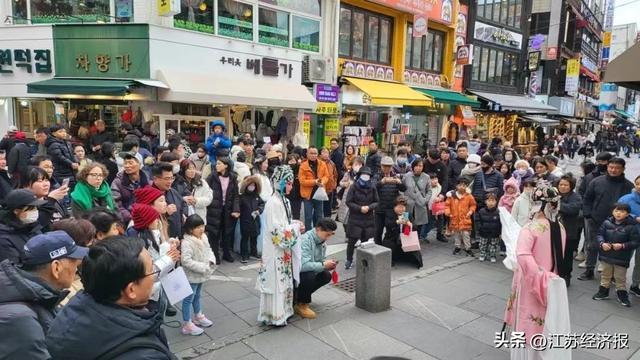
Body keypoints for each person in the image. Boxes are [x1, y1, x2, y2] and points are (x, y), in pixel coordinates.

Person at [45, 236, 177, 359]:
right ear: (131, 290)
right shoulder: (143, 355)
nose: (154, 276)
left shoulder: (72, 316)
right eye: (151, 270)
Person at [0, 231, 87, 360]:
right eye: (75, 263)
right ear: (56, 268)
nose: (76, 269)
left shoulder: (38, 296)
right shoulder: (19, 319)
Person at [503, 182, 567, 356]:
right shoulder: (560, 227)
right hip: (552, 277)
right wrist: (547, 277)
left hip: (530, 281)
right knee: (544, 319)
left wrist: (538, 277)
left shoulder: (530, 228)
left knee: (527, 316)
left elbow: (523, 255)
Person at [256, 165, 303, 326]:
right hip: (275, 249)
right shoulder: (272, 203)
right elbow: (276, 232)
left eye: (291, 183)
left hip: (284, 250)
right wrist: (295, 228)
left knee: (283, 280)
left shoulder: (285, 201)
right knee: (275, 281)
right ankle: (274, 315)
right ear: (281, 183)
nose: (291, 186)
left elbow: (285, 224)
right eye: (288, 183)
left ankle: (283, 311)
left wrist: (294, 224)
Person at [580, 157, 634, 281]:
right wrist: (588, 214)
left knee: (614, 248)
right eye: (611, 167)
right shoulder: (597, 181)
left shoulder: (628, 186)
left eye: (617, 168)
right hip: (596, 219)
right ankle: (589, 269)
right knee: (592, 245)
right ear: (607, 167)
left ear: (623, 169)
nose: (613, 170)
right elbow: (587, 199)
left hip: (618, 224)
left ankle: (612, 274)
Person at [591, 203, 639, 307]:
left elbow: (635, 242)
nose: (618, 213)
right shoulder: (606, 222)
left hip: (621, 258)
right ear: (612, 212)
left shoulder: (632, 226)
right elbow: (599, 235)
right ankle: (603, 292)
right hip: (606, 255)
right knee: (605, 275)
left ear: (627, 214)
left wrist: (622, 245)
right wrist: (602, 243)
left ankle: (622, 295)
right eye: (616, 211)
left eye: (622, 212)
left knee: (620, 277)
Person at [180, 214, 216, 335]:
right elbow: (185, 260)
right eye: (198, 227)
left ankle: (198, 316)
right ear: (190, 229)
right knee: (188, 298)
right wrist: (202, 267)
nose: (201, 229)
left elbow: (209, 250)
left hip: (201, 273)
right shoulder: (187, 242)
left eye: (202, 226)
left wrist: (211, 261)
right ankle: (186, 323)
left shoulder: (203, 237)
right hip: (192, 275)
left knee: (197, 295)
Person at [296, 218, 338, 319]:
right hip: (297, 273)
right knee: (309, 275)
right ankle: (302, 304)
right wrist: (323, 265)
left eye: (331, 235)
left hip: (307, 270)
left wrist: (328, 265)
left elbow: (320, 261)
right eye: (327, 234)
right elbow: (302, 266)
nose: (328, 238)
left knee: (326, 275)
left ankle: (298, 296)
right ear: (318, 229)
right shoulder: (305, 240)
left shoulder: (322, 241)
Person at [205, 157, 240, 262]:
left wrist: (236, 209)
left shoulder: (233, 178)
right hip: (214, 209)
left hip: (228, 209)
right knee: (214, 233)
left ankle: (226, 253)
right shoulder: (212, 177)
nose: (217, 165)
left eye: (219, 163)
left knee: (227, 232)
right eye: (217, 163)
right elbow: (206, 191)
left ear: (226, 165)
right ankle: (215, 254)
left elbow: (236, 196)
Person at [345, 167, 379, 269]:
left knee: (366, 241)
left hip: (368, 218)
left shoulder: (372, 187)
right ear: (359, 175)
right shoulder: (353, 187)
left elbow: (376, 201)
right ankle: (349, 260)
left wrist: (369, 207)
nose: (365, 176)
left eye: (367, 175)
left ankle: (364, 260)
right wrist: (360, 208)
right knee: (352, 241)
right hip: (355, 217)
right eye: (364, 174)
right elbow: (348, 201)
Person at [0, 189, 45, 263]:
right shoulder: (4, 237)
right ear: (16, 211)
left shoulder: (33, 226)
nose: (35, 211)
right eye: (31, 209)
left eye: (36, 208)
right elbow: (12, 269)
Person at [382, 196, 423, 268]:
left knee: (413, 245)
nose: (401, 209)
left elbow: (415, 227)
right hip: (392, 237)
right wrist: (397, 222)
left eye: (403, 207)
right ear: (394, 207)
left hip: (406, 237)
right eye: (399, 207)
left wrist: (410, 225)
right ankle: (391, 260)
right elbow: (387, 224)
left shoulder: (407, 214)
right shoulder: (390, 214)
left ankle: (413, 260)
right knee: (388, 244)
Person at [22, 167, 69, 231]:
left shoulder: (53, 198)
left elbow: (66, 217)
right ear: (26, 185)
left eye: (46, 180)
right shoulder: (24, 204)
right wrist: (51, 200)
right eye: (40, 181)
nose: (45, 184)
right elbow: (36, 226)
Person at [111, 151, 151, 225]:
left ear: (139, 164)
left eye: (130, 163)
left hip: (146, 219)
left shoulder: (148, 182)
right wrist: (131, 218)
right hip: (126, 221)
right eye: (125, 163)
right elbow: (115, 204)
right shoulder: (118, 182)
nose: (127, 166)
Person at [374, 156, 406, 245]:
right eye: (385, 166)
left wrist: (399, 183)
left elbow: (404, 189)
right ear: (381, 166)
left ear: (392, 167)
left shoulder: (396, 176)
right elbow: (372, 188)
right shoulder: (376, 176)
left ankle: (388, 247)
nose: (387, 168)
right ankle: (378, 248)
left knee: (391, 230)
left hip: (392, 209)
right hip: (379, 209)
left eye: (389, 166)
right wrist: (381, 182)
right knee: (377, 231)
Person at [557, 174, 583, 287]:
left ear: (571, 186)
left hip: (569, 231)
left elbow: (573, 209)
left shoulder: (575, 197)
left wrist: (557, 205)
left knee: (567, 255)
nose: (563, 187)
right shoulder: (554, 194)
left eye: (565, 185)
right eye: (561, 184)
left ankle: (566, 275)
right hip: (555, 229)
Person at [152, 162, 187, 239]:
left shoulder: (172, 191)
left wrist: (183, 214)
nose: (170, 181)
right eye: (167, 179)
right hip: (162, 240)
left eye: (172, 178)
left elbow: (183, 203)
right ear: (155, 179)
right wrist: (165, 213)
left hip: (177, 237)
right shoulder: (149, 195)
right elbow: (147, 219)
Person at [299, 147, 329, 230]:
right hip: (308, 195)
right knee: (308, 217)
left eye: (315, 153)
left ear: (317, 154)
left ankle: (319, 233)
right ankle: (308, 234)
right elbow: (302, 181)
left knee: (319, 215)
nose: (313, 155)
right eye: (311, 153)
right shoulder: (303, 166)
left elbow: (326, 176)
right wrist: (315, 181)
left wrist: (322, 181)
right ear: (307, 154)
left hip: (319, 194)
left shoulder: (322, 164)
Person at [445, 178, 476, 256]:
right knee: (456, 234)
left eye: (464, 185)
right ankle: (457, 247)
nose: (462, 187)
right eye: (460, 185)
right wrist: (448, 212)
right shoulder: (451, 196)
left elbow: (473, 205)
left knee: (466, 234)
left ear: (467, 186)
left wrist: (471, 211)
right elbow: (447, 205)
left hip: (465, 218)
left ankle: (468, 248)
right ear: (456, 186)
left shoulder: (469, 196)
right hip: (455, 218)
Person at [403, 159, 432, 242]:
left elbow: (429, 191)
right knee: (406, 222)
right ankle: (407, 240)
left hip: (420, 203)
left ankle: (416, 241)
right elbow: (402, 188)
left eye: (420, 166)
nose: (418, 168)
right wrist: (404, 198)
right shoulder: (407, 176)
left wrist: (425, 200)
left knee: (419, 224)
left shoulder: (426, 177)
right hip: (408, 204)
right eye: (416, 166)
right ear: (413, 166)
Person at [239, 176, 265, 263]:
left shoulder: (257, 196)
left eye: (253, 185)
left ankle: (254, 253)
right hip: (245, 220)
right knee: (245, 238)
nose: (252, 187)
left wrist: (259, 211)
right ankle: (244, 255)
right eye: (250, 185)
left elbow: (262, 204)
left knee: (254, 237)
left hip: (255, 220)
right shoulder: (242, 197)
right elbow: (238, 208)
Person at [336, 156, 363, 227]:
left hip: (358, 200)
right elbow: (340, 183)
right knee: (345, 221)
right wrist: (346, 184)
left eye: (360, 164)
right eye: (356, 164)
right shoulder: (348, 174)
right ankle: (347, 235)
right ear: (352, 165)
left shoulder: (364, 175)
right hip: (347, 199)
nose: (358, 166)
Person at [477, 193, 501, 262]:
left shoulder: (498, 212)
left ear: (496, 202)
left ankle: (492, 255)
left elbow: (500, 223)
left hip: (494, 232)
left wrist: (499, 232)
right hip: (483, 232)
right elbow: (478, 221)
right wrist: (480, 228)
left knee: (493, 245)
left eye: (493, 201)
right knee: (482, 244)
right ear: (485, 202)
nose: (491, 203)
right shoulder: (481, 211)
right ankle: (482, 254)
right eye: (489, 201)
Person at [320, 147, 338, 217]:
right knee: (319, 210)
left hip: (329, 189)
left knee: (328, 209)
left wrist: (334, 184)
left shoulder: (332, 163)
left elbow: (335, 175)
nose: (325, 154)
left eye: (326, 152)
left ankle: (327, 226)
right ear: (320, 154)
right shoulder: (318, 162)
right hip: (320, 188)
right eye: (323, 152)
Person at [285, 153, 302, 220]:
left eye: (293, 161)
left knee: (296, 213)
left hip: (297, 196)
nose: (292, 163)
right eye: (290, 161)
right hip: (287, 195)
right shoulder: (285, 170)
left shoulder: (300, 170)